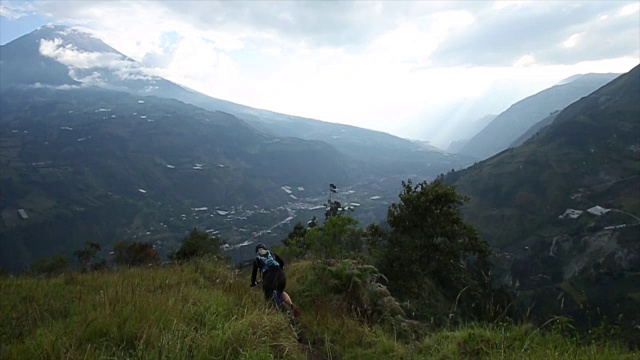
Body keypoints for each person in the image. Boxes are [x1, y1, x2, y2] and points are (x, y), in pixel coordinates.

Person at [250, 243, 300, 317]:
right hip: (281, 275)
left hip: (268, 279)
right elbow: (282, 262)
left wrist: (253, 283)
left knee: (269, 299)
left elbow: (253, 275)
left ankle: (276, 316)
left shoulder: (257, 259)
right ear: (265, 249)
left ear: (257, 252)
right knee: (281, 292)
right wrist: (281, 269)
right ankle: (292, 305)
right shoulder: (271, 253)